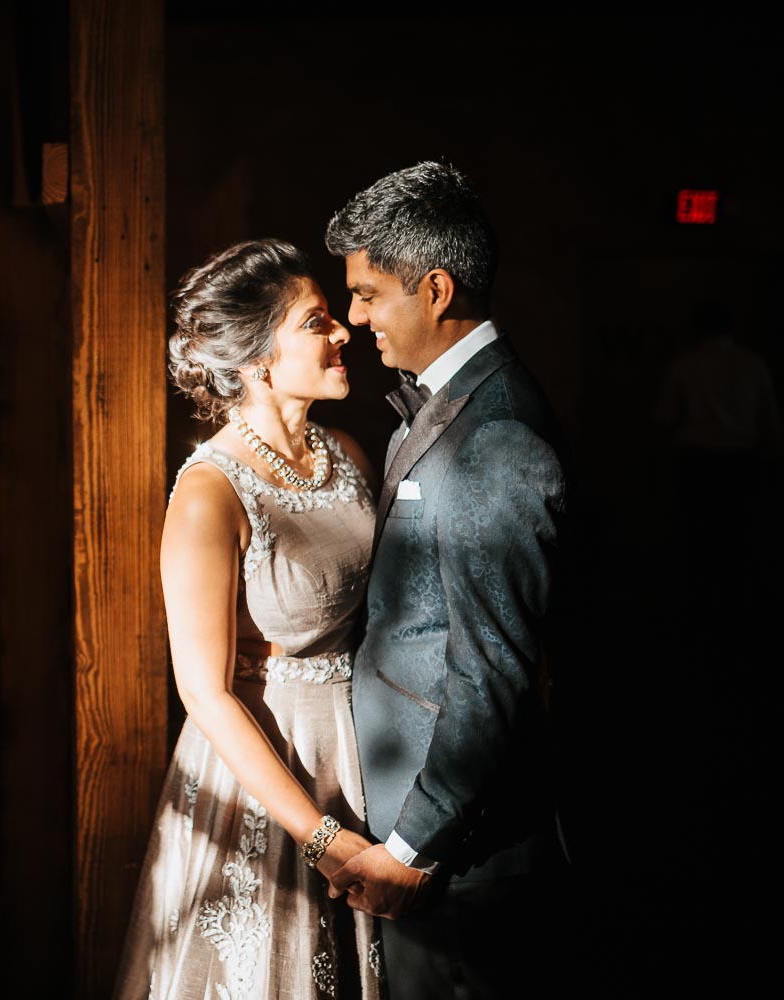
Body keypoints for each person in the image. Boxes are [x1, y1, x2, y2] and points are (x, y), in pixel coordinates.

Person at [321, 162, 570, 999]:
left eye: (367, 294)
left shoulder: (496, 435)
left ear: (433, 288)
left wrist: (410, 848)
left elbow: (493, 670)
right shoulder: (443, 403)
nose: (354, 319)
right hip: (419, 820)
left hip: (460, 849)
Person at [114, 239, 385, 1000]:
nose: (343, 334)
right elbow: (204, 693)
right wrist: (319, 835)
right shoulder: (210, 492)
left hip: (359, 750)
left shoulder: (350, 456)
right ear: (259, 357)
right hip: (267, 768)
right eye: (317, 322)